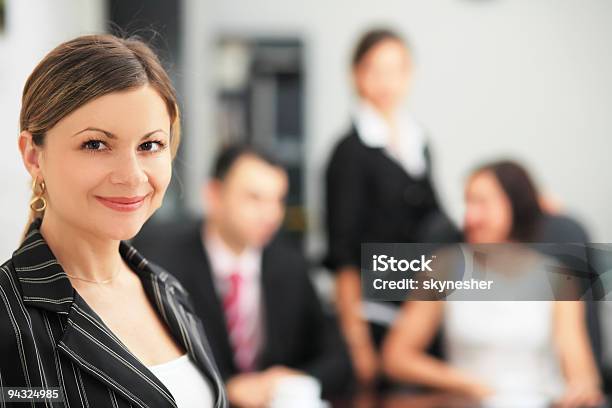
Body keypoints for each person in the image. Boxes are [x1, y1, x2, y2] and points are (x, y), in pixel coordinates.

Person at [0, 35, 227, 408]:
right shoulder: (8, 316)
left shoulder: (170, 292)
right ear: (33, 155)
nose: (132, 176)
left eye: (150, 145)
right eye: (96, 144)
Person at [133, 145, 353, 408]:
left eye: (278, 200)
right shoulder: (161, 259)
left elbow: (339, 360)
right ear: (214, 195)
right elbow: (142, 361)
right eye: (254, 198)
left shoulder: (289, 264)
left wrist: (295, 381)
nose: (271, 215)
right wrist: (227, 388)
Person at [382, 161, 603, 407]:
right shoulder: (444, 268)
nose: (469, 217)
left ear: (516, 207)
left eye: (482, 203)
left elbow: (582, 373)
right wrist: (464, 384)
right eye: (467, 203)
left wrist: (582, 389)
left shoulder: (559, 278)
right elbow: (396, 357)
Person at [324, 28, 458, 387]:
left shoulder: (419, 142)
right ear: (356, 75)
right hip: (377, 317)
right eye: (374, 69)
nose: (386, 81)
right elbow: (343, 254)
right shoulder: (350, 151)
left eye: (395, 69)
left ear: (409, 74)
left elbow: (440, 223)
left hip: (425, 311)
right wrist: (358, 343)